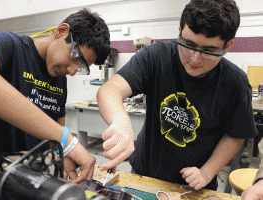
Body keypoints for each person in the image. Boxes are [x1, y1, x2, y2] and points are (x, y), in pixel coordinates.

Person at [97, 0, 257, 191]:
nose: (194, 59)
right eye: (188, 44)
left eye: (208, 51)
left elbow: (235, 135)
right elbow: (110, 90)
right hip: (145, 174)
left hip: (194, 185)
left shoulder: (235, 83)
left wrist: (207, 172)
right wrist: (120, 122)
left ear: (228, 46)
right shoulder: (156, 57)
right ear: (180, 30)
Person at [0, 9, 110, 184]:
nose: (72, 71)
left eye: (80, 68)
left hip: (27, 183)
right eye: (75, 57)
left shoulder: (59, 78)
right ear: (61, 31)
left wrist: (61, 155)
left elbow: (56, 132)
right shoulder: (9, 45)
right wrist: (68, 141)